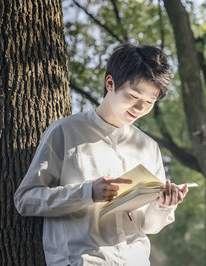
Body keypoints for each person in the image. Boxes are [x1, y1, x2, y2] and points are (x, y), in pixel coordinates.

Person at [14, 43, 188, 266]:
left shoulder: (148, 146)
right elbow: (26, 200)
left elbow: (148, 226)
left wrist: (163, 205)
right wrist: (87, 192)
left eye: (149, 102)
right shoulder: (65, 132)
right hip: (81, 260)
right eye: (133, 96)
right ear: (110, 83)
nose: (139, 109)